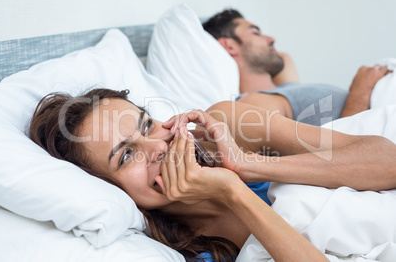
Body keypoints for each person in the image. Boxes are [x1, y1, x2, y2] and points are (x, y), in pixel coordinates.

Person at [29, 88, 396, 262]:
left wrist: (246, 165)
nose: (157, 145)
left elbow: (388, 160)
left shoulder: (228, 123)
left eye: (147, 124)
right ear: (109, 191)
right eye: (126, 155)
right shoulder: (192, 256)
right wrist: (232, 191)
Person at [203, 9, 390, 124]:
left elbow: (284, 58)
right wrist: (360, 94)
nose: (271, 39)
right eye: (256, 33)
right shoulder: (254, 104)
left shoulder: (285, 88)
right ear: (229, 45)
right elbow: (335, 156)